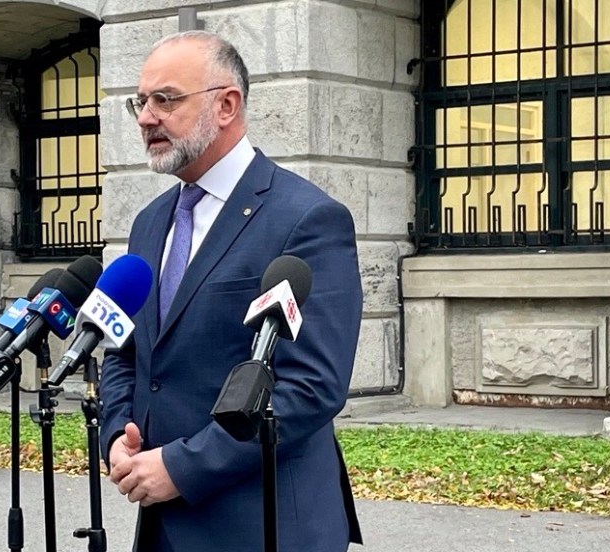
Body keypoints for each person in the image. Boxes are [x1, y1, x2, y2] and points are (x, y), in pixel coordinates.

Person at [98, 30, 364, 552]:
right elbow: (125, 351)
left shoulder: (307, 219)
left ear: (226, 105)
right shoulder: (151, 223)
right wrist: (117, 435)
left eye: (165, 99)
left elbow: (310, 388)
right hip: (162, 522)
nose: (146, 117)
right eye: (141, 101)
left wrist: (181, 466)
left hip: (263, 523)